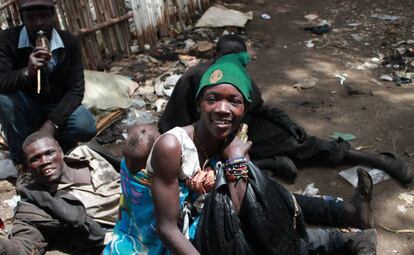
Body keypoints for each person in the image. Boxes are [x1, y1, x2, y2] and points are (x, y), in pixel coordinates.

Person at [123, 52, 376, 254]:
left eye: (234, 101)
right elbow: (167, 228)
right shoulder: (172, 146)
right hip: (176, 236)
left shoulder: (235, 138)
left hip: (209, 217)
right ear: (199, 103)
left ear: (244, 108)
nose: (222, 109)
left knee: (269, 201)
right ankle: (341, 240)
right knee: (254, 234)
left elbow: (244, 205)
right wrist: (234, 163)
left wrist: (236, 159)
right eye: (213, 99)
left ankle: (345, 230)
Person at [159, 34, 412, 184]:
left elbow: (259, 110)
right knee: (214, 176)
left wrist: (289, 124)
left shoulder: (243, 80)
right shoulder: (194, 77)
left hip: (241, 133)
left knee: (301, 144)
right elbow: (171, 124)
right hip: (203, 139)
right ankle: (271, 163)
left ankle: (376, 159)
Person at [0, 0, 96, 166]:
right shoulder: (7, 39)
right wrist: (27, 72)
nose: (39, 23)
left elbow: (76, 90)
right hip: (26, 107)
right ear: (21, 18)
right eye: (31, 17)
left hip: (56, 106)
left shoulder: (69, 42)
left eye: (44, 16)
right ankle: (22, 161)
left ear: (53, 16)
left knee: (85, 126)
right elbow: (1, 81)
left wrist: (51, 124)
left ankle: (57, 143)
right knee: (4, 100)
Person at [0, 132, 120, 255]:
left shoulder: (88, 153)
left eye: (49, 153)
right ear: (28, 167)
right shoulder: (36, 205)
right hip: (119, 241)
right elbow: (24, 245)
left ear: (60, 151)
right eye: (35, 159)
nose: (44, 161)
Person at [103, 124, 162, 254]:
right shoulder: (127, 165)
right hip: (129, 217)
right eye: (126, 159)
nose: (128, 167)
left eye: (135, 166)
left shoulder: (159, 175)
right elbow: (125, 192)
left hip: (148, 226)